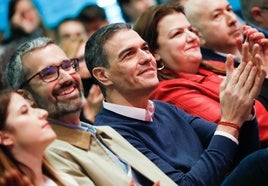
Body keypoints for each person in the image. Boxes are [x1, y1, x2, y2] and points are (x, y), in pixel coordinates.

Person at [85, 22, 263, 185]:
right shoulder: (110, 133)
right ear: (103, 75)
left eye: (145, 48)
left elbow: (241, 151)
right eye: (128, 54)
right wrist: (230, 122)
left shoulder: (162, 108)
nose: (146, 58)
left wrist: (244, 106)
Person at [5, 37, 175, 186]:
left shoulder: (106, 132)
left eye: (67, 65)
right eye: (48, 73)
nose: (66, 78)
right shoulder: (49, 156)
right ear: (25, 97)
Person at [133, 4, 268, 146]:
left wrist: (262, 68)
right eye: (177, 34)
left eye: (190, 30)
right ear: (155, 52)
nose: (192, 37)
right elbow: (239, 132)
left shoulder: (212, 65)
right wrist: (263, 78)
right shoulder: (169, 91)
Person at [0, 89, 78, 186]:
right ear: (5, 137)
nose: (43, 113)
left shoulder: (65, 179)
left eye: (32, 108)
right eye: (25, 111)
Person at [184, 0, 244, 66]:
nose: (233, 19)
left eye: (229, 9)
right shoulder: (210, 72)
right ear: (198, 35)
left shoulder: (254, 41)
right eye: (217, 15)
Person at [60, 38, 103, 123]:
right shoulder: (69, 95)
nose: (88, 61)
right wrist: (91, 114)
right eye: (81, 59)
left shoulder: (104, 81)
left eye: (89, 56)